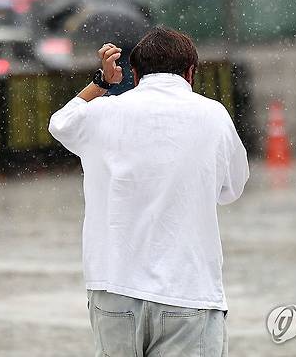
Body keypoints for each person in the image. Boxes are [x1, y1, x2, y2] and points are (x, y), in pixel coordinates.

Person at [48, 26, 249, 357]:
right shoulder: (213, 116)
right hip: (187, 290)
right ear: (191, 72)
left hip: (113, 288)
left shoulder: (102, 113)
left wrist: (100, 84)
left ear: (136, 74)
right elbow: (232, 188)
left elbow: (60, 123)